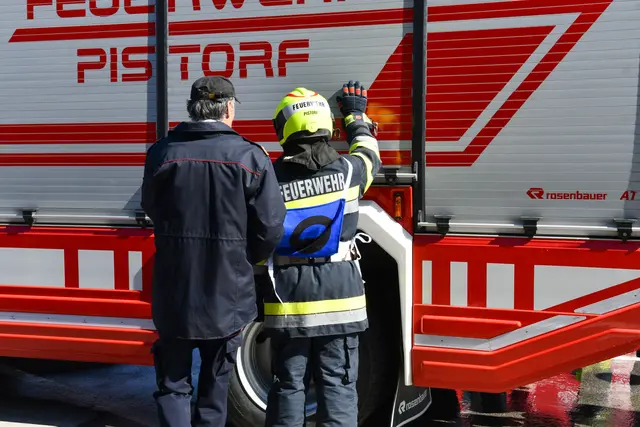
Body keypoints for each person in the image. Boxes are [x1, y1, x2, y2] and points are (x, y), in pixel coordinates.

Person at [141, 76, 286, 427]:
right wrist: (243, 258)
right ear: (229, 108)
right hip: (228, 295)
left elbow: (151, 208)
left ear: (193, 108)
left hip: (175, 292)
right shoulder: (250, 157)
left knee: (173, 386)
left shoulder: (162, 153)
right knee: (214, 386)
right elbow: (270, 226)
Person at [262, 80, 382, 427]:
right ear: (327, 125)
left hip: (288, 298)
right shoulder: (349, 171)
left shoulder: (269, 179)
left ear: (283, 129)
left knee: (288, 387)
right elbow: (370, 154)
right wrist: (355, 116)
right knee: (338, 386)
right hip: (341, 297)